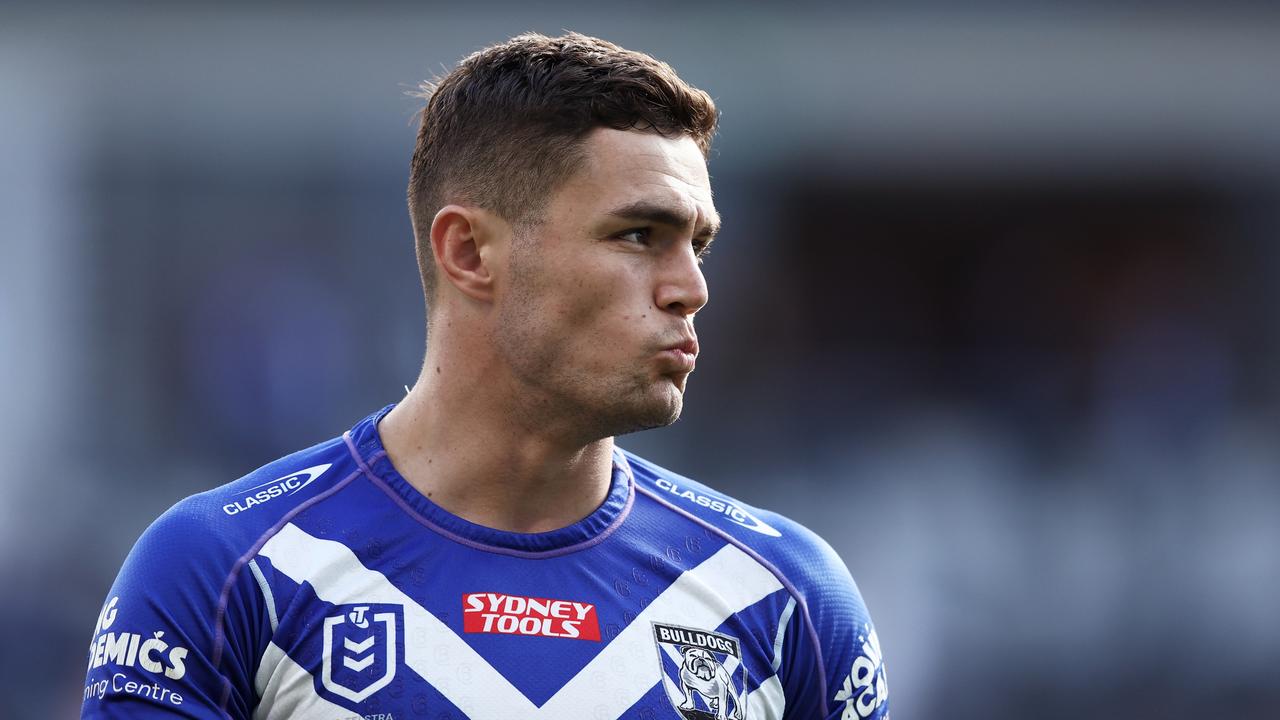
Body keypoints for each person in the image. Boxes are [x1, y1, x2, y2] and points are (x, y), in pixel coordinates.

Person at [80, 32, 889, 720]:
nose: (693, 287)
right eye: (640, 234)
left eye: (697, 245)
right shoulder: (228, 572)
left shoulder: (785, 598)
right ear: (469, 253)